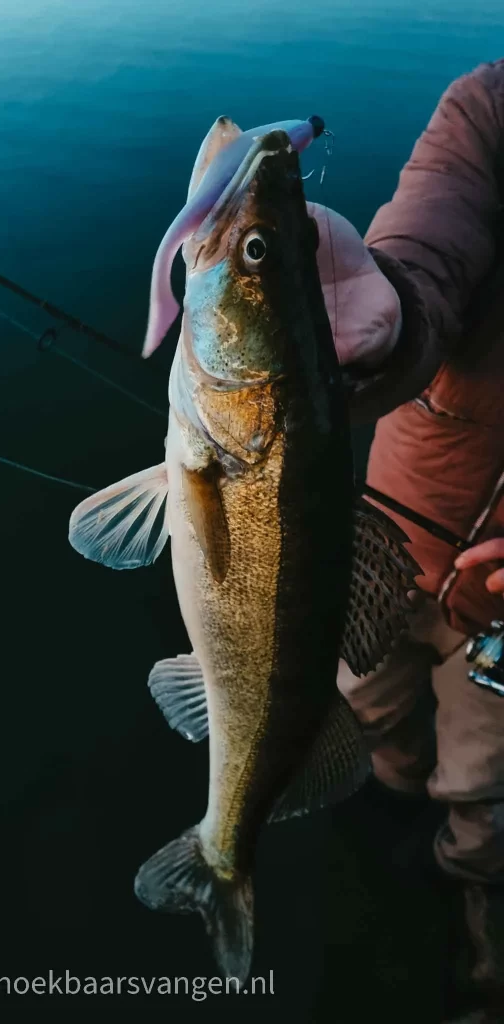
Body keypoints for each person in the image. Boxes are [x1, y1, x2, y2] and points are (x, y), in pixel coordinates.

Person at [312, 59, 504, 1023]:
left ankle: (478, 929)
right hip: (391, 530)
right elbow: (430, 233)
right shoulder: (491, 102)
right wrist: (385, 318)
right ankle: (384, 801)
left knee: (486, 785)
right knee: (362, 698)